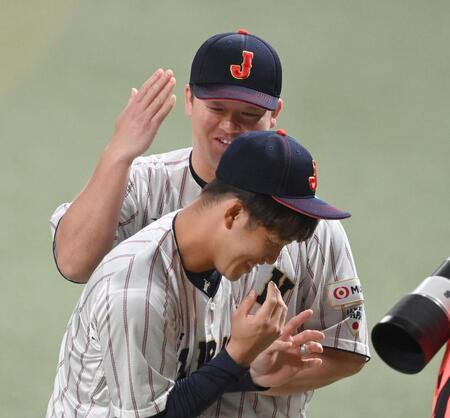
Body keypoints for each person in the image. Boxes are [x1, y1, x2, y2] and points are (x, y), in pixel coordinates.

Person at [50, 30, 369, 417]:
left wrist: (255, 372)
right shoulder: (142, 196)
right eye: (217, 108)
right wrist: (118, 155)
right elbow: (73, 262)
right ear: (190, 100)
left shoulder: (302, 219)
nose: (230, 127)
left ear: (275, 113)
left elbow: (345, 349)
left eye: (249, 115)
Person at [46, 130, 354, 418]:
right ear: (233, 214)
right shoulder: (136, 295)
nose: (272, 259)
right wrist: (236, 356)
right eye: (273, 242)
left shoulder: (208, 256)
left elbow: (177, 381)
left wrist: (251, 372)